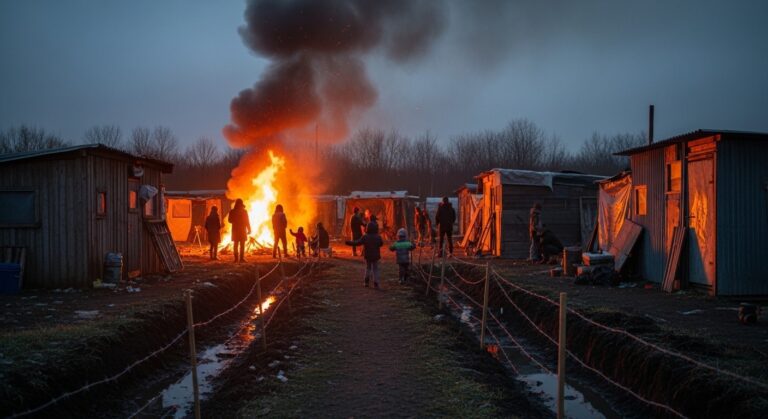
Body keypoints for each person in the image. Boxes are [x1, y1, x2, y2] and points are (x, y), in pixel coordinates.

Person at [345, 223, 384, 289]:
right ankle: (376, 283)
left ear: (367, 228)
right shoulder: (378, 237)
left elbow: (357, 242)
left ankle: (366, 282)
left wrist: (349, 242)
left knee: (368, 268)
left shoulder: (365, 237)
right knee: (375, 269)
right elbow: (381, 244)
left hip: (368, 255)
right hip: (375, 256)